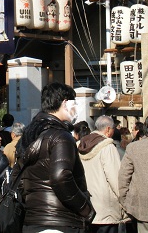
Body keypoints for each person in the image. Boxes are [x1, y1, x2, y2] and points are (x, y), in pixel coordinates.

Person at [17, 82, 95, 232]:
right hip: (60, 219)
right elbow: (61, 177)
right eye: (75, 103)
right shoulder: (61, 136)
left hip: (32, 219)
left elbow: (19, 177)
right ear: (65, 103)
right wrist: (85, 208)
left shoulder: (29, 134)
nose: (76, 108)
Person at [78, 115, 128, 233]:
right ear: (108, 130)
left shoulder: (79, 145)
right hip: (106, 209)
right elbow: (116, 180)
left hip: (86, 206)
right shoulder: (108, 148)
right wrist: (124, 203)